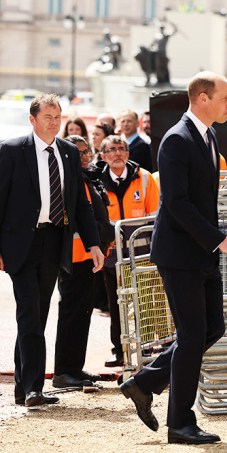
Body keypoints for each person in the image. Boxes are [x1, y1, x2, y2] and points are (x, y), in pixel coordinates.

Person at [119, 71, 227, 445]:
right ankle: (180, 423)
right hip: (180, 254)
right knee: (192, 335)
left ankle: (144, 383)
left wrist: (214, 243)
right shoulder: (177, 140)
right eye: (225, 98)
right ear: (203, 98)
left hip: (202, 253)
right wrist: (220, 240)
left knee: (212, 330)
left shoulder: (208, 135)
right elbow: (175, 203)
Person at [0, 93, 104, 407]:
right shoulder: (11, 150)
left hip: (54, 243)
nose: (54, 122)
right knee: (30, 312)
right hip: (20, 244)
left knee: (35, 316)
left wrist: (94, 244)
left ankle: (23, 387)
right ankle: (33, 388)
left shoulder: (70, 153)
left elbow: (81, 205)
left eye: (58, 117)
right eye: (48, 117)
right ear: (33, 120)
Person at [53, 135, 114, 388]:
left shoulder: (89, 180)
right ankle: (64, 371)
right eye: (78, 153)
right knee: (71, 314)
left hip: (89, 259)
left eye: (86, 151)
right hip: (74, 259)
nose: (84, 156)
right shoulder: (66, 183)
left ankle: (74, 369)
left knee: (82, 314)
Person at [98, 135, 160, 368]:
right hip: (112, 256)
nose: (117, 153)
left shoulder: (144, 178)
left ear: (128, 153)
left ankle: (146, 347)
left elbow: (155, 217)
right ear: (103, 155)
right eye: (111, 149)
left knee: (144, 301)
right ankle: (120, 351)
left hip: (141, 254)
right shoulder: (98, 181)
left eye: (121, 149)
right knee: (116, 304)